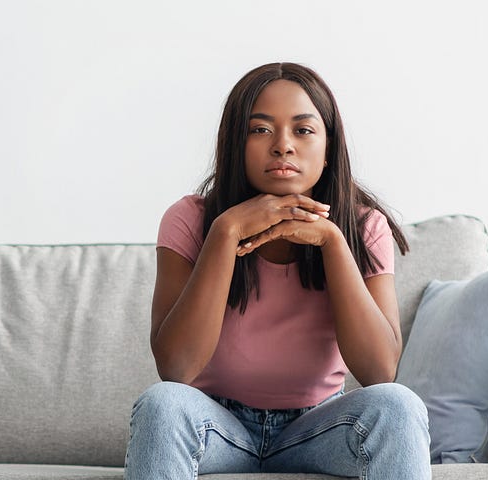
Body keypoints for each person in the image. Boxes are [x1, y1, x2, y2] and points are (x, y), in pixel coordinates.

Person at [127, 62, 430, 479]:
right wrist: (226, 231)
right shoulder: (190, 220)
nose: (282, 145)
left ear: (328, 150)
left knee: (399, 405)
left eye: (303, 130)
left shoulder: (362, 226)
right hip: (218, 424)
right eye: (260, 129)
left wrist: (333, 242)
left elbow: (379, 373)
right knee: (161, 403)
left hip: (319, 426)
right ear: (235, 144)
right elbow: (176, 369)